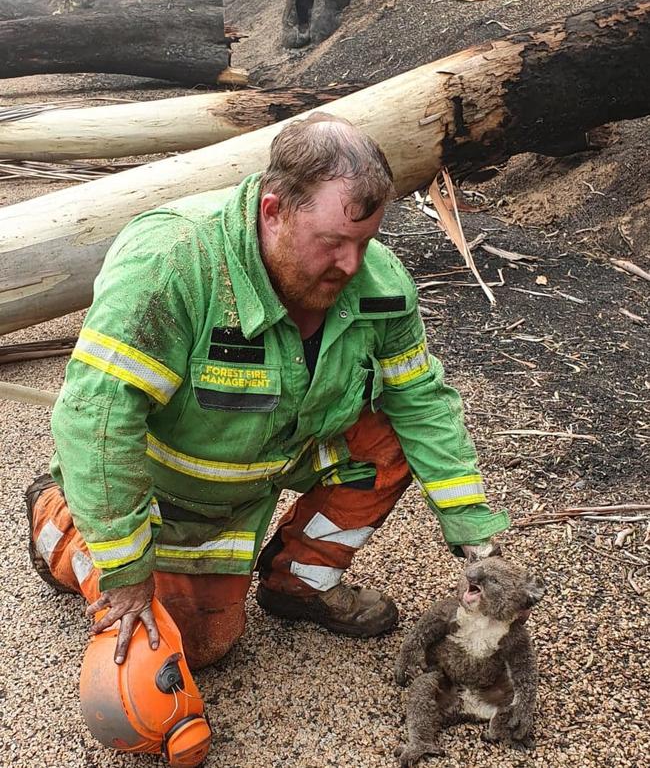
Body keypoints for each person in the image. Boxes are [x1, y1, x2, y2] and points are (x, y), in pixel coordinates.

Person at [27, 115, 509, 758]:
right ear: (274, 209)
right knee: (202, 650)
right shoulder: (174, 267)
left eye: (367, 241)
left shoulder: (377, 284)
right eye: (334, 242)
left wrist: (474, 532)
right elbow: (97, 420)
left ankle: (299, 582)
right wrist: (128, 570)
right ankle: (62, 523)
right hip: (162, 489)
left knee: (386, 438)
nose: (352, 265)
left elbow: (422, 399)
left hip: (276, 458)